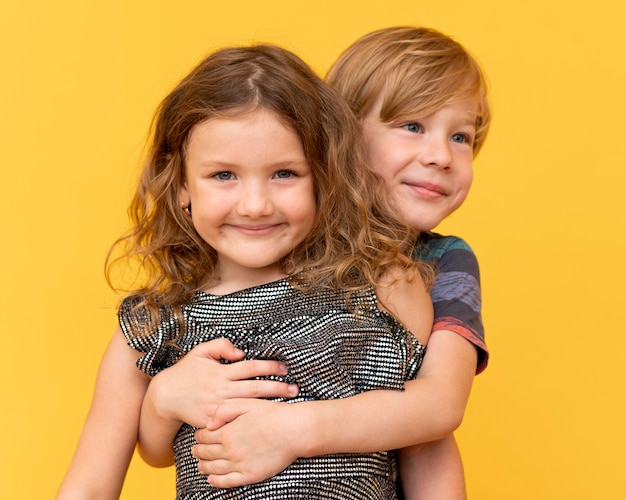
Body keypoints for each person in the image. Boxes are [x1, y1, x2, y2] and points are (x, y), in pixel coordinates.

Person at [56, 43, 434, 499]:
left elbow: (428, 447)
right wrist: (164, 397)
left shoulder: (380, 287)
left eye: (284, 174)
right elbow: (91, 486)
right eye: (223, 176)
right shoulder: (154, 325)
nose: (255, 205)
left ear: (324, 177)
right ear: (181, 187)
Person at [161, 26, 491, 499]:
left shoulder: (437, 261)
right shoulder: (276, 236)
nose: (441, 156)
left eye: (462, 136)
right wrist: (161, 399)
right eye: (413, 126)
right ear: (337, 135)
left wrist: (289, 430)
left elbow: (434, 415)